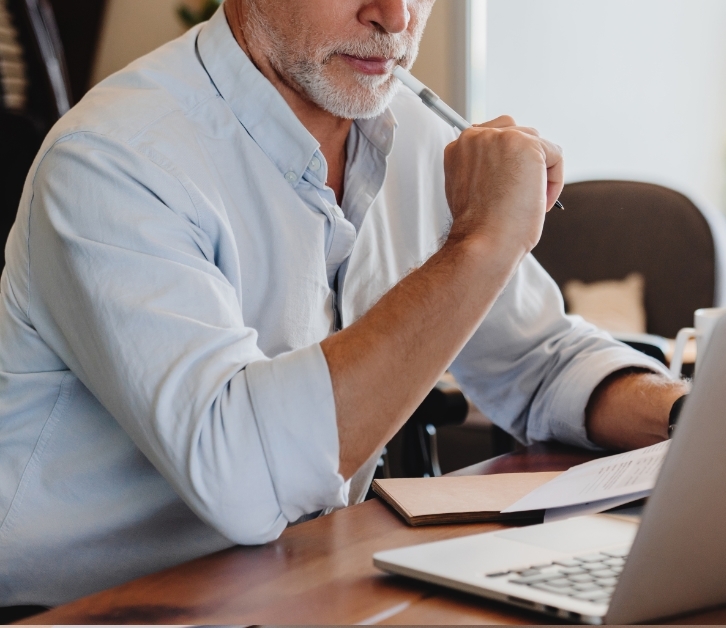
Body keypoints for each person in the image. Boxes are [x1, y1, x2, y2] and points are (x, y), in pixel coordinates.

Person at [0, 0, 687, 607]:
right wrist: (481, 243)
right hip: (91, 611)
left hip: (299, 581)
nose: (395, 15)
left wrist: (695, 420)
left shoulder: (412, 131)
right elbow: (242, 477)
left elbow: (539, 358)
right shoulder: (113, 160)